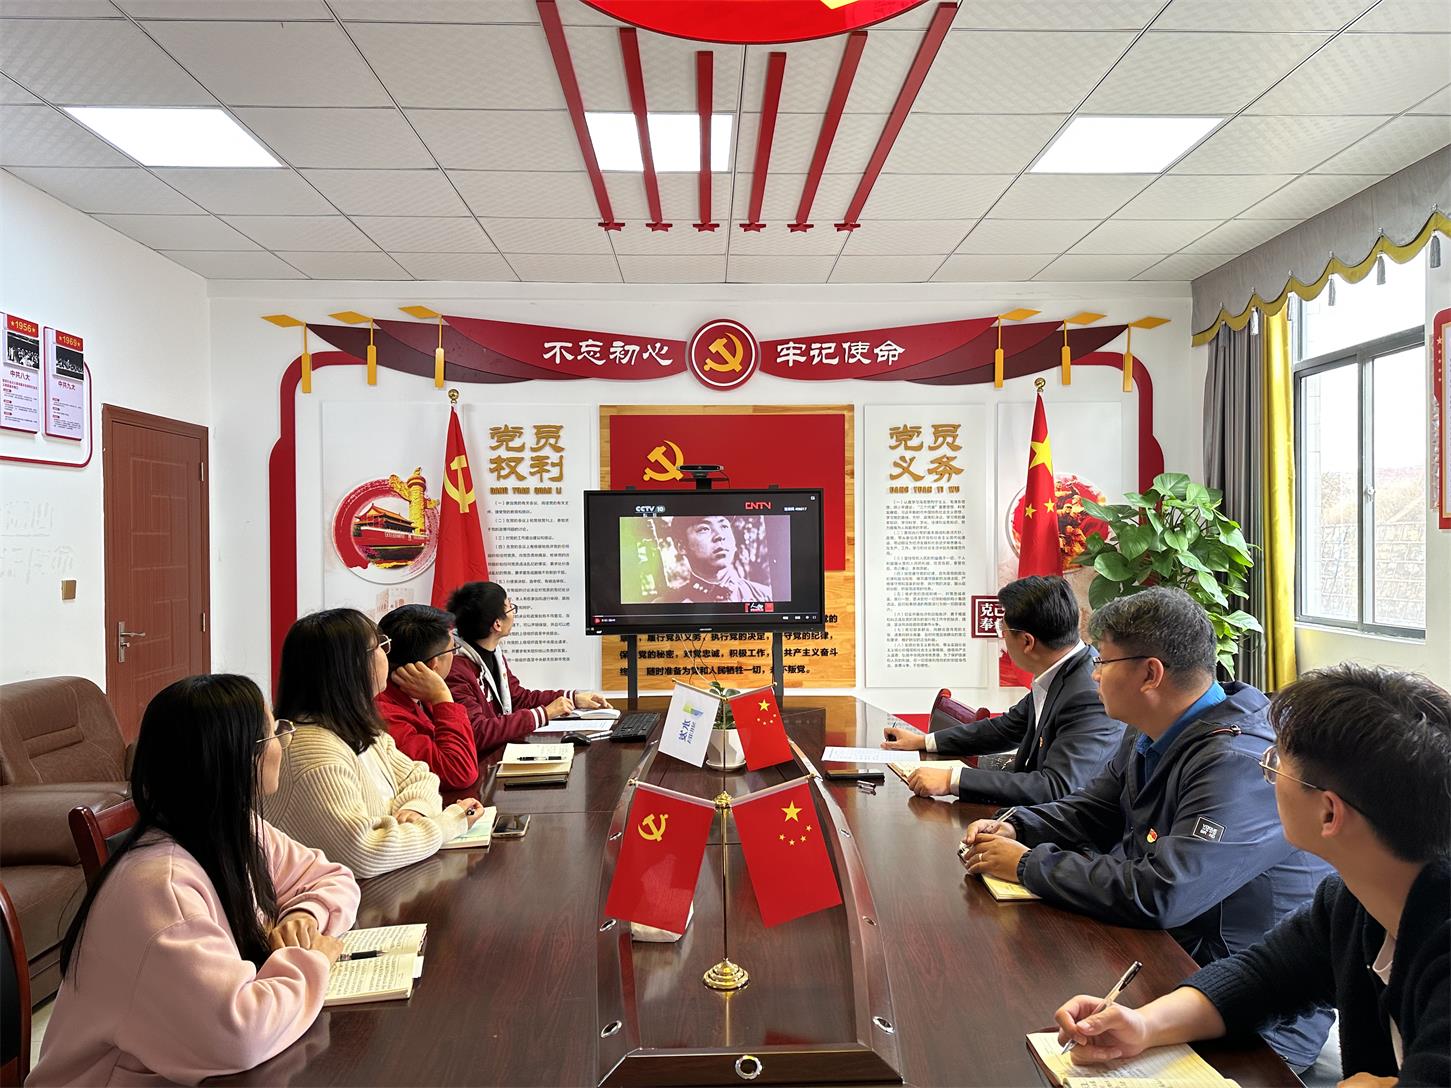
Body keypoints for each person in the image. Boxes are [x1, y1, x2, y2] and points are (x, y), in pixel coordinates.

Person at [960, 587, 1334, 1069]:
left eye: (1102, 661)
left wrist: (1028, 865)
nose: (1094, 674)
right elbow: (1093, 809)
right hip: (1171, 962)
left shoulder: (1236, 760)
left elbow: (1164, 892)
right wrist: (1017, 827)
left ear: (1150, 674)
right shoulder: (1152, 728)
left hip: (1252, 1014)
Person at [1052, 664, 1450, 1087]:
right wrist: (1144, 1024)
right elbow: (1264, 977)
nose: (1268, 775)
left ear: (1329, 813)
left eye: (1276, 765)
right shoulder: (1354, 898)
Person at [29, 674, 361, 1086]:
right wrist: (311, 961)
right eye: (275, 731)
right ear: (241, 757)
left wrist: (304, 916)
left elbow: (332, 876)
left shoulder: (232, 828)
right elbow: (238, 1036)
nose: (284, 741)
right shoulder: (159, 889)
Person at [264, 608, 486, 879]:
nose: (387, 654)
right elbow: (366, 852)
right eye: (380, 645)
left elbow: (420, 776)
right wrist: (450, 823)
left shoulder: (357, 726)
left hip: (379, 884)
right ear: (352, 667)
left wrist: (415, 808)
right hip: (351, 897)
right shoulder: (315, 755)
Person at [882, 575, 1125, 804]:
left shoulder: (1088, 693)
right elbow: (1006, 728)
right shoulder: (1063, 671)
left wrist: (952, 780)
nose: (1003, 639)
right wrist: (924, 741)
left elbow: (1056, 787)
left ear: (1027, 641)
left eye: (1003, 630)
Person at [445, 581, 611, 754]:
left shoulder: (494, 653)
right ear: (497, 624)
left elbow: (518, 699)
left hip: (501, 752)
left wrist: (573, 699)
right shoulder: (454, 670)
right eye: (509, 607)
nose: (513, 612)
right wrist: (545, 713)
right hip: (482, 763)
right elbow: (478, 732)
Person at [375, 604, 479, 790]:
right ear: (433, 664)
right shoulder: (385, 714)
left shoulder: (418, 692)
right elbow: (459, 772)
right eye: (453, 649)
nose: (455, 656)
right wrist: (442, 697)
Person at [657, 515, 771, 603]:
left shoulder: (766, 596)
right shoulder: (667, 604)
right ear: (681, 547)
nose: (720, 535)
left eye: (724, 526)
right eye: (704, 529)